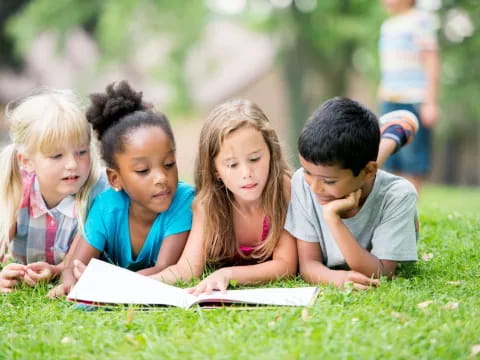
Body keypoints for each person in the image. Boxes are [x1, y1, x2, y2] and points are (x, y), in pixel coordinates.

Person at [58, 81, 194, 295]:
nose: (161, 178)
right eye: (143, 170)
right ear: (114, 179)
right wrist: (69, 281)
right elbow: (73, 266)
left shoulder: (183, 200)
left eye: (169, 164)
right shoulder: (106, 207)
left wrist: (107, 281)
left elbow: (165, 268)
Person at [151, 99, 298, 294]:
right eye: (232, 164)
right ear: (215, 170)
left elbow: (286, 265)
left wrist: (228, 274)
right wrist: (136, 283)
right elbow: (187, 269)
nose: (246, 173)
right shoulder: (208, 204)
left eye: (255, 158)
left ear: (271, 153)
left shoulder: (283, 189)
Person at [285, 97, 418, 290]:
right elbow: (308, 265)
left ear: (369, 171)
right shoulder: (301, 183)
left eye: (328, 181)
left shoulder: (398, 195)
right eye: (307, 172)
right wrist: (335, 278)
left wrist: (333, 220)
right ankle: (391, 135)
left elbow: (382, 272)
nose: (314, 187)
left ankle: (391, 135)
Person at [0, 89, 106, 294]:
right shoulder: (16, 187)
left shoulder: (98, 191)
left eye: (81, 152)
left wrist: (56, 271)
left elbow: (86, 263)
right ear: (27, 161)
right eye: (57, 156)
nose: (72, 164)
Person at [378, 0, 440, 193]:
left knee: (413, 161)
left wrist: (430, 102)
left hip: (414, 98)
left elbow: (431, 62)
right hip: (390, 98)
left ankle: (411, 210)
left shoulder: (422, 21)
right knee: (389, 158)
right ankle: (391, 210)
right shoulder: (387, 26)